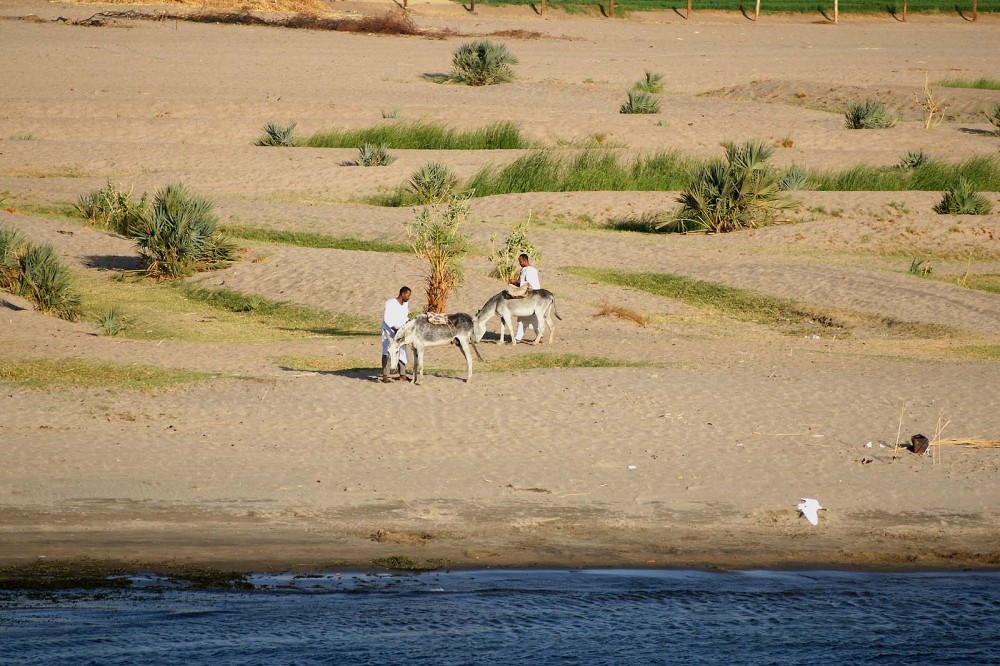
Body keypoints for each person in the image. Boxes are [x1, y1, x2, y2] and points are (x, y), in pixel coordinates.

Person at [505, 254, 540, 342]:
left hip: (531, 297)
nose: (520, 263)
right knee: (524, 318)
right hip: (528, 296)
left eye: (520, 262)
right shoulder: (525, 270)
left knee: (531, 318)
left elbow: (529, 284)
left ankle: (537, 336)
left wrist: (516, 281)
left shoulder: (530, 271)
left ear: (525, 261)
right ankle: (519, 337)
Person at [381, 286, 411, 382]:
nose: (408, 297)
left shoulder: (405, 304)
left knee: (401, 351)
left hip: (400, 332)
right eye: (408, 295)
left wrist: (407, 325)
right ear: (402, 294)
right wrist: (395, 329)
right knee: (388, 351)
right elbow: (387, 319)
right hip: (389, 331)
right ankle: (385, 376)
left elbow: (405, 317)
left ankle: (402, 375)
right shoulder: (391, 303)